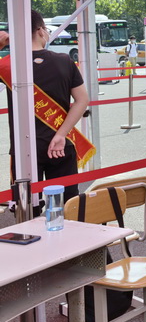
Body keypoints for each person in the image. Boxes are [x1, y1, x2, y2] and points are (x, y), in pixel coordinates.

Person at [0, 11, 91, 211]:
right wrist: (60, 134)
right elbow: (82, 100)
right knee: (66, 208)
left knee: (27, 212)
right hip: (60, 145)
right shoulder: (64, 61)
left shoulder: (8, 65)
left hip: (24, 148)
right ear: (41, 30)